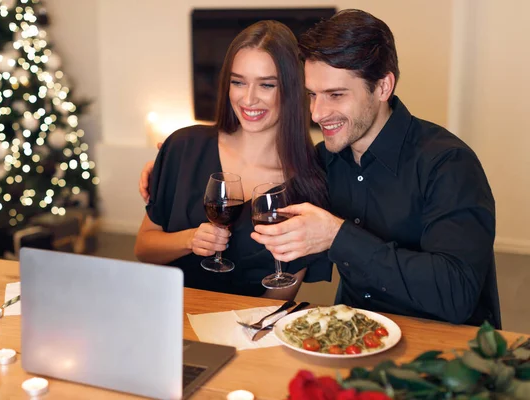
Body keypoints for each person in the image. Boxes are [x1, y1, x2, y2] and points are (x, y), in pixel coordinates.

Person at [250, 9, 501, 328]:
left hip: (444, 352)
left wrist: (337, 236)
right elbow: (266, 220)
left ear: (383, 87)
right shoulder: (326, 158)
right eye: (312, 95)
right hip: (355, 336)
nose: (316, 113)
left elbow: (456, 294)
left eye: (336, 95)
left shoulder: (449, 163)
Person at [134, 21, 330, 300]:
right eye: (238, 82)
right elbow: (143, 248)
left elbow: (279, 298)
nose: (248, 99)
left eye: (267, 85)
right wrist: (189, 240)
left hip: (249, 333)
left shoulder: (308, 183)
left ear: (291, 89)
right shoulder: (184, 147)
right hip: (172, 319)